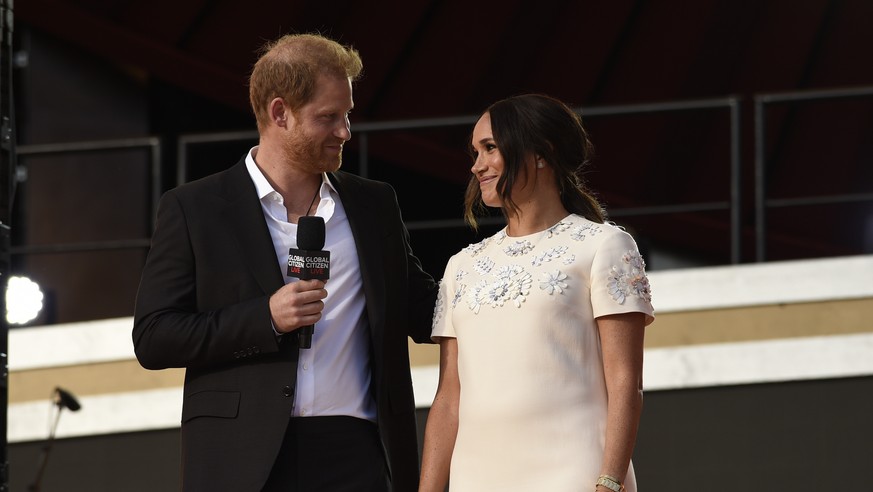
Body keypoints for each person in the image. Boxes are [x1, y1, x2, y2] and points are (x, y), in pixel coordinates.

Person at [132, 33, 438, 492]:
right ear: (280, 113)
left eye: (347, 115)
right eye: (328, 117)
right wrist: (266, 318)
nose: (345, 132)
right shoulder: (195, 208)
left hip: (357, 449)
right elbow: (154, 337)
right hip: (242, 458)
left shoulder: (375, 204)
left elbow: (421, 306)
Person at [418, 94, 655, 492]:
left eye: (490, 148)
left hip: (574, 474)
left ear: (542, 153)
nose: (477, 165)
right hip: (475, 478)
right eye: (474, 152)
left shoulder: (604, 246)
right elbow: (448, 400)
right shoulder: (461, 265)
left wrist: (609, 482)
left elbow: (625, 381)